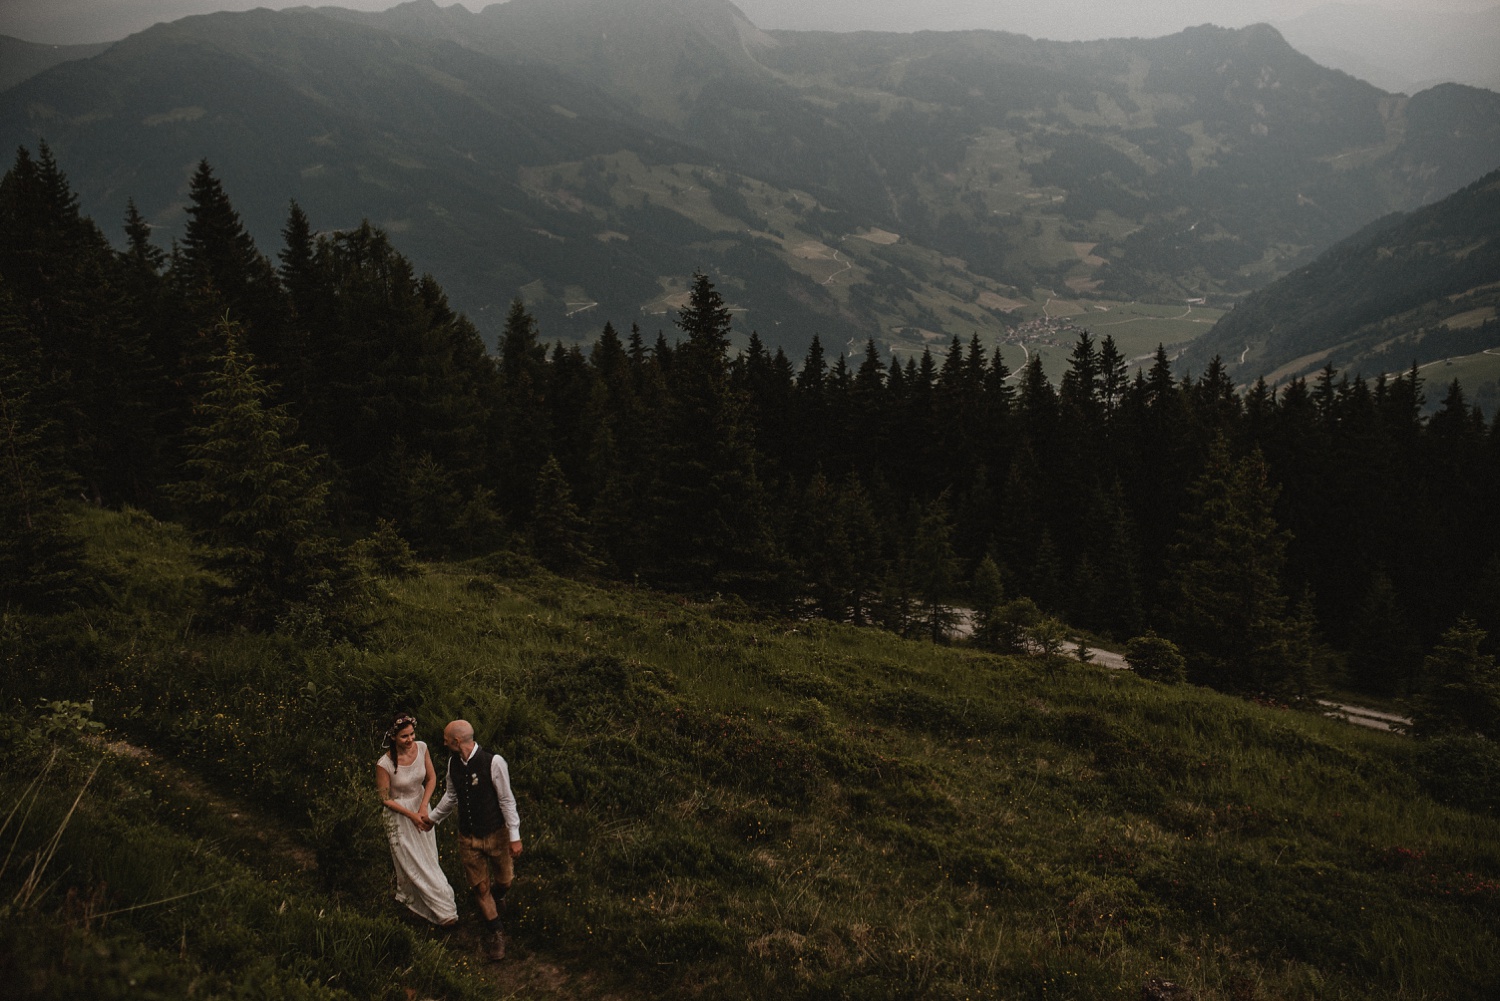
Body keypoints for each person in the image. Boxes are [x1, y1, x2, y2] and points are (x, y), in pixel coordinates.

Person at [429, 718, 523, 962]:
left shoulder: (494, 762)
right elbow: (451, 797)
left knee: (505, 880)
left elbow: (506, 800)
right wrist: (432, 819)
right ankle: (497, 932)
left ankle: (499, 895)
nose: (444, 742)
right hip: (467, 837)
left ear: (457, 741)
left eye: (446, 739)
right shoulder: (452, 764)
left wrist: (514, 836)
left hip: (496, 834)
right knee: (480, 888)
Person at [374, 715, 459, 927]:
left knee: (428, 858)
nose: (410, 739)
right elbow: (385, 799)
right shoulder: (384, 764)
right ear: (393, 737)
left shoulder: (422, 748)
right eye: (404, 736)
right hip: (399, 815)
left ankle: (442, 906)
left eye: (412, 734)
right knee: (410, 860)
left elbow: (431, 778)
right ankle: (422, 905)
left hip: (422, 808)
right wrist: (411, 815)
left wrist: (423, 807)